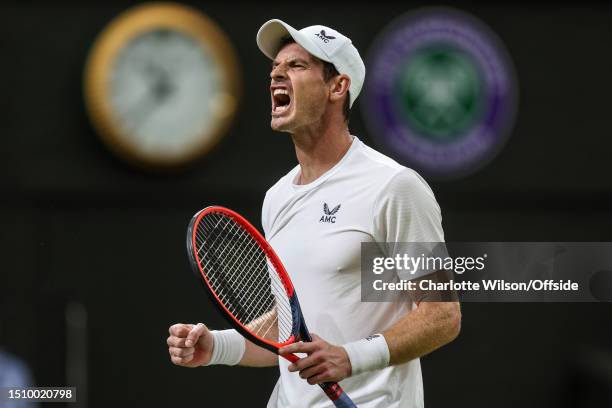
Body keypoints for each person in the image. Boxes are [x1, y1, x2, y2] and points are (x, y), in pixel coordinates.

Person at [167, 19, 461, 407]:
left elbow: (442, 316)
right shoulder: (277, 198)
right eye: (275, 68)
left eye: (297, 66)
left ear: (337, 87)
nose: (277, 75)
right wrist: (216, 346)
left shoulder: (393, 186)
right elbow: (289, 332)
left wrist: (350, 357)